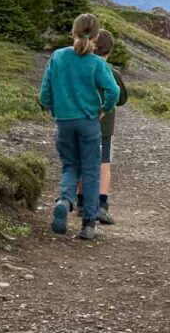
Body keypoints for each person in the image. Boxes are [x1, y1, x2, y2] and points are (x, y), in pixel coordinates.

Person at [39, 13, 120, 241]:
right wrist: (104, 109)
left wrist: (54, 108)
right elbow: (114, 91)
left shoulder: (58, 57)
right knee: (91, 170)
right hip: (89, 123)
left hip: (64, 122)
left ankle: (65, 200)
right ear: (95, 36)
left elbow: (44, 93)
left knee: (69, 166)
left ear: (73, 32)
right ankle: (88, 225)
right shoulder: (96, 63)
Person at [75, 29, 128, 224]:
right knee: (104, 165)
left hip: (81, 124)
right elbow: (121, 99)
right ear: (109, 51)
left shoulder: (80, 68)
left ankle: (81, 202)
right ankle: (101, 205)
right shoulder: (111, 73)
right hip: (104, 130)